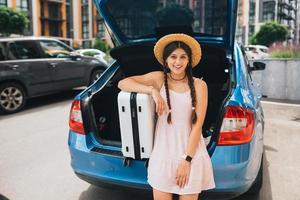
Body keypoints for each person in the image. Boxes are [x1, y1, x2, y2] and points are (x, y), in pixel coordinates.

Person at [118, 33, 215, 200]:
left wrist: (186, 160)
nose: (178, 62)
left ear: (189, 60)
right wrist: (152, 90)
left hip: (190, 154)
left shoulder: (200, 85)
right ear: (166, 60)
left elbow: (197, 126)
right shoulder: (158, 79)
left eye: (183, 57)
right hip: (163, 154)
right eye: (173, 57)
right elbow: (123, 83)